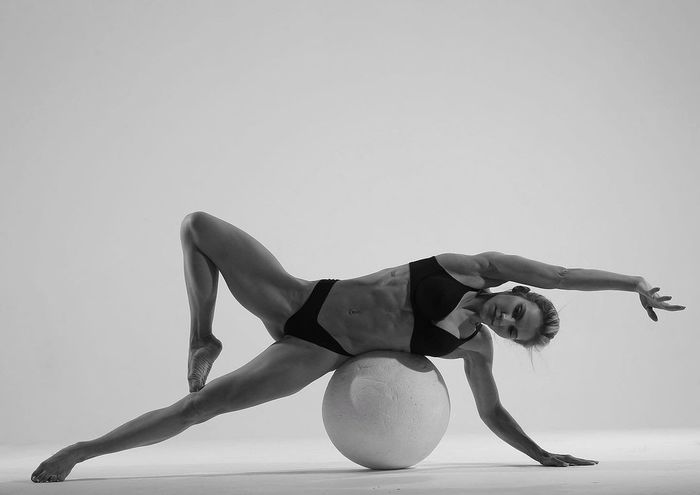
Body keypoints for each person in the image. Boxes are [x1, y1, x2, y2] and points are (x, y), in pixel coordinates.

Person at [31, 211, 685, 482]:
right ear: (515, 290)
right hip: (301, 299)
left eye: (513, 330)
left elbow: (490, 412)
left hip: (319, 350)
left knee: (202, 408)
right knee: (197, 226)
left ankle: (80, 452)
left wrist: (541, 453)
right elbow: (563, 275)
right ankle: (203, 334)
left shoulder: (472, 347)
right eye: (517, 310)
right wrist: (632, 282)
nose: (507, 320)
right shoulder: (475, 266)